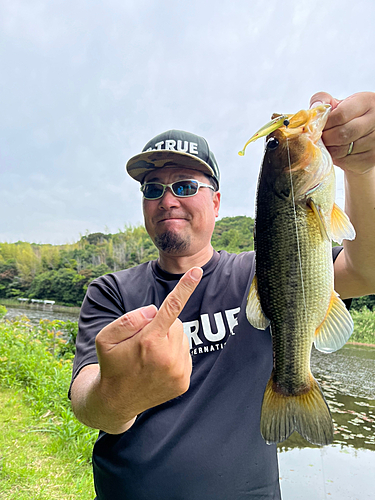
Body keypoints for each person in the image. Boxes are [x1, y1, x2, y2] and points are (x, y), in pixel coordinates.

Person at [69, 91, 375, 500]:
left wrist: (362, 170)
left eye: (184, 185)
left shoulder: (260, 270)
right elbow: (88, 404)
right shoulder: (111, 291)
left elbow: (364, 271)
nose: (168, 199)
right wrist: (117, 395)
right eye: (152, 189)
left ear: (216, 202)